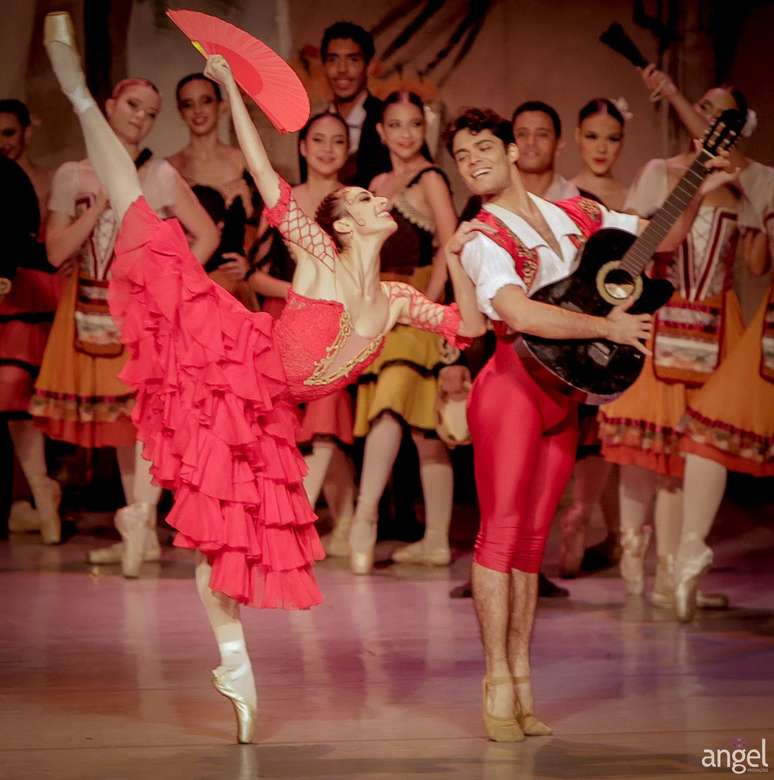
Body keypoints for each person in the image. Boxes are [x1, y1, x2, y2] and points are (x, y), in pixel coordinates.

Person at [44, 12, 483, 742]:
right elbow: (264, 174)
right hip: (230, 358)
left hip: (269, 413)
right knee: (140, 219)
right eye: (371, 201)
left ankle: (234, 664)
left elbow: (465, 328)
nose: (383, 202)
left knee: (231, 543)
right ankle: (80, 95)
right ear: (344, 222)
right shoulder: (319, 256)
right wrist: (232, 91)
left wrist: (465, 253)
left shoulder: (399, 298)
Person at [445, 106, 732, 742]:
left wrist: (698, 182)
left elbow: (662, 236)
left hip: (563, 398)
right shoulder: (483, 237)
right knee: (499, 538)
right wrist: (608, 327)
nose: (474, 162)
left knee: (529, 547)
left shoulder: (579, 213)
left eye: (484, 147)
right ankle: (496, 683)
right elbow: (523, 314)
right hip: (510, 392)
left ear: (515, 150)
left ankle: (521, 680)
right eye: (462, 158)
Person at [29, 66, 219, 575]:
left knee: (146, 418)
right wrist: (99, 208)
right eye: (133, 106)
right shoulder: (73, 175)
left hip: (143, 315)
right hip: (89, 308)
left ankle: (141, 516)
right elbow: (53, 251)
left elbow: (206, 236)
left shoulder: (157, 174)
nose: (141, 119)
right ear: (109, 107)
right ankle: (140, 523)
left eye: (152, 114)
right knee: (120, 421)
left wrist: (170, 286)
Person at [597, 82, 751, 612]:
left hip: (715, 318)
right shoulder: (660, 171)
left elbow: (754, 259)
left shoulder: (743, 184)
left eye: (720, 113)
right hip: (663, 310)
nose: (706, 117)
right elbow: (642, 247)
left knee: (691, 450)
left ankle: (673, 573)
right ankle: (635, 550)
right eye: (703, 107)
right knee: (648, 443)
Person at [348, 90, 460, 573]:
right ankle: (434, 539)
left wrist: (429, 305)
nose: (406, 134)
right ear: (380, 131)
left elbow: (450, 243)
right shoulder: (377, 181)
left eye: (415, 124)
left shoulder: (430, 177)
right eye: (396, 125)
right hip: (382, 303)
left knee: (394, 404)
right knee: (420, 424)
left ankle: (364, 515)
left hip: (416, 301)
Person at [250, 110, 358, 556]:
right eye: (318, 139)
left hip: (337, 323)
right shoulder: (283, 199)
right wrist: (302, 291)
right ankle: (345, 519)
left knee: (326, 421)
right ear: (302, 145)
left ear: (347, 150)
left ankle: (294, 525)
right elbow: (255, 275)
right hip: (285, 318)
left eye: (337, 140)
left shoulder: (355, 203)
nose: (327, 148)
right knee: (295, 426)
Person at [559, 97, 631, 578]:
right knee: (589, 429)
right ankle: (581, 515)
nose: (601, 147)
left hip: (627, 319)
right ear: (578, 137)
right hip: (584, 320)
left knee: (613, 431)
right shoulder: (568, 193)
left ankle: (615, 534)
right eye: (592, 136)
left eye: (612, 137)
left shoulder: (632, 192)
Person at [0, 148, 59, 543]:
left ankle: (41, 493)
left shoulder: (10, 174)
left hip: (17, 295)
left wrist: (3, 267)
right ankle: (35, 497)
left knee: (13, 393)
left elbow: (21, 225)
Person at [168, 72, 259, 309]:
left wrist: (251, 264)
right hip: (185, 287)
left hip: (233, 289)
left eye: (206, 100)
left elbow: (270, 225)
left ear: (222, 106)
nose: (198, 110)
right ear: (180, 111)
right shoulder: (169, 167)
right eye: (189, 104)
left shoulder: (244, 162)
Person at [320, 21, 390, 187]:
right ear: (324, 66)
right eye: (333, 60)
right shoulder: (315, 129)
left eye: (352, 60)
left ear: (369, 66)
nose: (342, 69)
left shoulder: (390, 119)